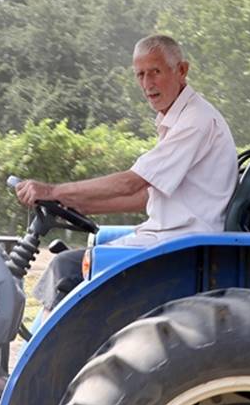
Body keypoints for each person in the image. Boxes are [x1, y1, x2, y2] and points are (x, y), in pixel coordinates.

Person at [15, 34, 237, 315]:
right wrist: (79, 205)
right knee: (74, 261)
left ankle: (51, 358)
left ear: (181, 71)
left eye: (155, 72)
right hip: (174, 237)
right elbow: (148, 195)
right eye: (140, 75)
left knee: (66, 268)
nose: (147, 84)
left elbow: (133, 182)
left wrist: (53, 191)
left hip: (182, 245)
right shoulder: (180, 118)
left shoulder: (195, 121)